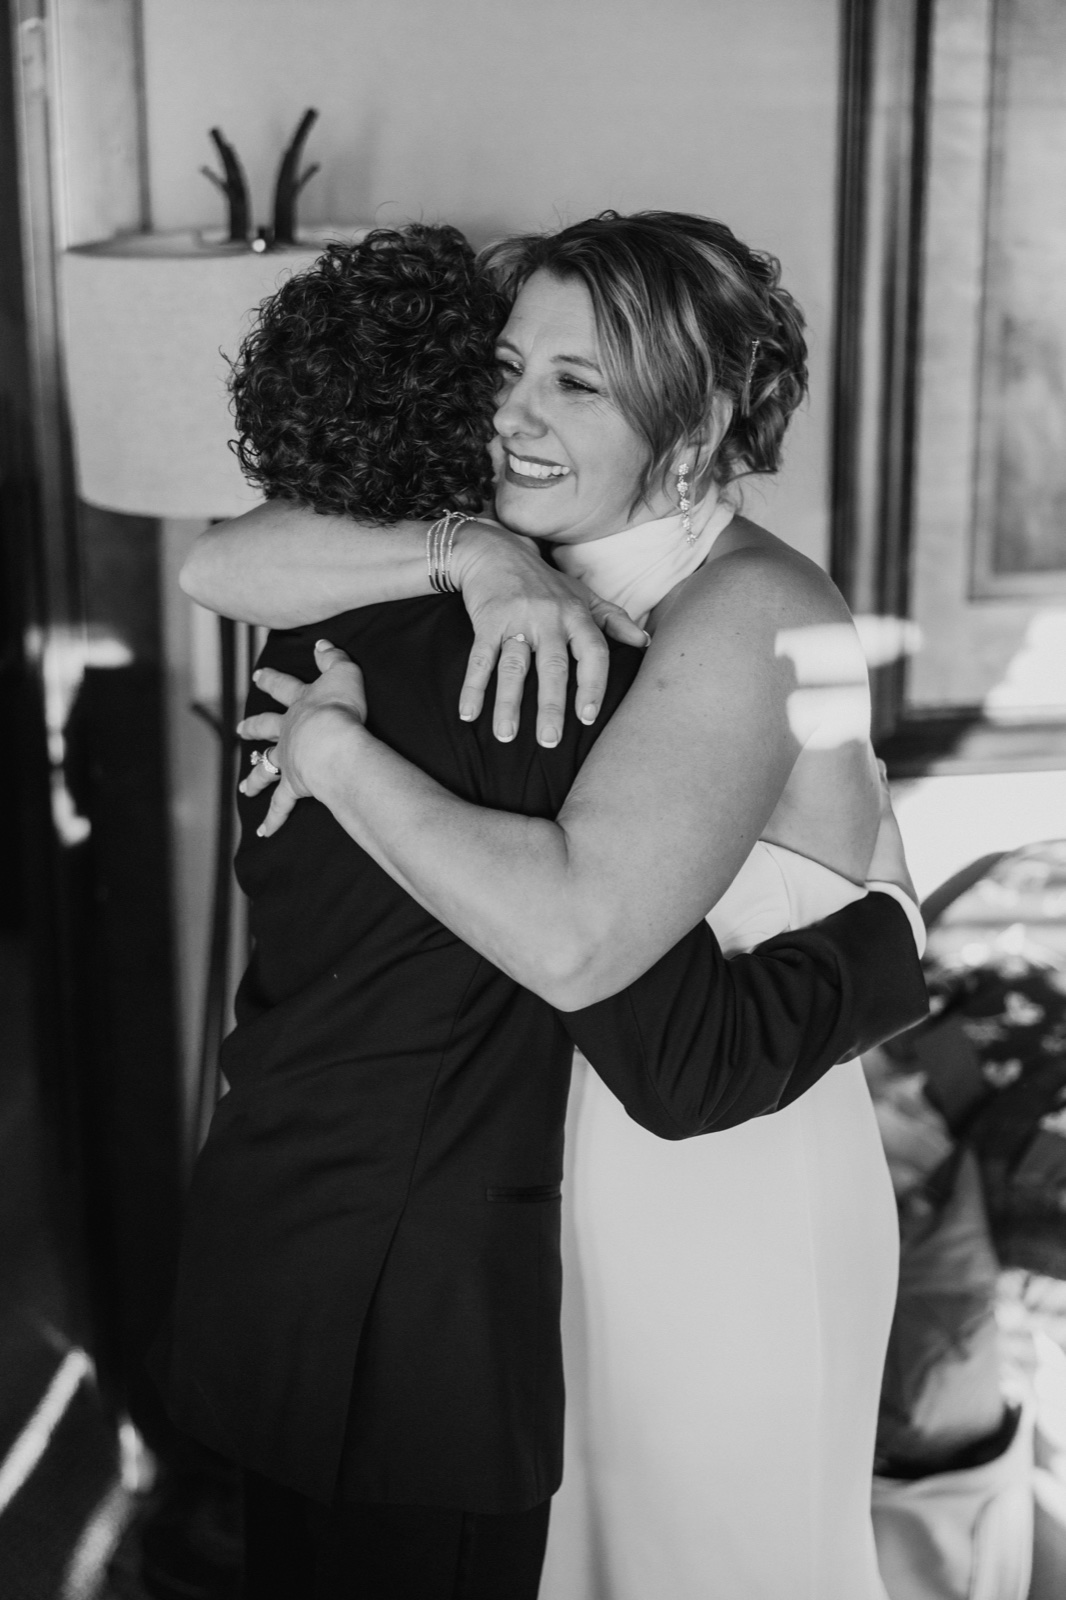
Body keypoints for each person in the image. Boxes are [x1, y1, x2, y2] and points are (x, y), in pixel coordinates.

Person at [175, 220, 926, 1598]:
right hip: (528, 1182)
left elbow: (576, 935)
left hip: (710, 1188)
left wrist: (338, 760)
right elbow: (222, 564)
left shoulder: (753, 611)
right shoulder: (514, 518)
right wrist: (473, 552)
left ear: (690, 433)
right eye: (507, 366)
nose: (511, 414)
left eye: (576, 386)